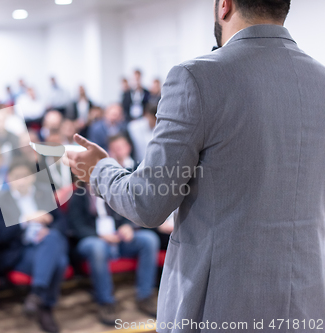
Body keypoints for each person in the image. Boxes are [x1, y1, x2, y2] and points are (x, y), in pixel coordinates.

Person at [66, 0, 325, 331]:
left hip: (223, 302)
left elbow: (147, 202)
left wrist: (99, 170)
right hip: (308, 299)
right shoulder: (320, 78)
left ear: (224, 6)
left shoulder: (198, 77)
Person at [0, 158, 68, 333]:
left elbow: (62, 224)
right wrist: (25, 222)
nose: (22, 180)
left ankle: (38, 296)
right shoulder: (0, 201)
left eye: (25, 176)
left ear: (33, 177)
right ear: (9, 178)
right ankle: (45, 305)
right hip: (20, 251)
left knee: (53, 237)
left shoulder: (44, 193)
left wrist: (48, 229)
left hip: (46, 245)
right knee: (59, 262)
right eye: (17, 177)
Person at [69, 183, 159, 325]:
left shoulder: (114, 192)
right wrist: (100, 236)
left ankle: (145, 295)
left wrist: (128, 226)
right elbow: (76, 226)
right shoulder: (77, 196)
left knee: (148, 239)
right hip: (92, 241)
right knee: (97, 247)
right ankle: (106, 302)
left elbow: (128, 213)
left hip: (118, 239)